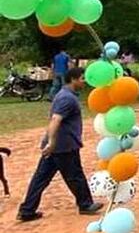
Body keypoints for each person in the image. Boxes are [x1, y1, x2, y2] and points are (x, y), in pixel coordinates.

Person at [17, 67, 102, 222]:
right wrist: (52, 142)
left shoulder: (65, 95)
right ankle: (85, 204)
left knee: (40, 179)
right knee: (75, 176)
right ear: (74, 79)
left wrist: (50, 143)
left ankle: (27, 210)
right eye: (82, 78)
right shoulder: (67, 98)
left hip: (57, 146)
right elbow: (56, 119)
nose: (85, 81)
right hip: (63, 146)